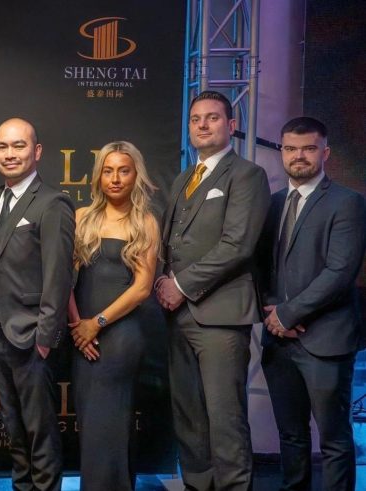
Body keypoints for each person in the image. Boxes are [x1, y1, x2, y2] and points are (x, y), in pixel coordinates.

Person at [155, 90, 270, 490]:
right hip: (178, 316)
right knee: (188, 417)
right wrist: (162, 280)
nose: (202, 125)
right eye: (195, 119)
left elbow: (238, 245)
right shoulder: (183, 179)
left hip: (221, 316)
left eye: (213, 118)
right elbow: (168, 243)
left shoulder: (248, 175)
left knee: (225, 419)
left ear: (232, 125)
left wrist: (181, 285)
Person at [257, 117, 366, 491]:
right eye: (290, 148)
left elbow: (340, 272)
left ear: (325, 152)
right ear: (282, 152)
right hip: (278, 342)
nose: (298, 156)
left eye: (308, 148)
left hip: (326, 340)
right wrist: (272, 313)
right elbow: (260, 268)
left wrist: (288, 314)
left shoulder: (348, 203)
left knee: (334, 441)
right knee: (291, 436)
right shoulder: (272, 204)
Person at [0, 117, 75, 491]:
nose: (9, 154)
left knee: (41, 435)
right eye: (2, 146)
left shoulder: (53, 203)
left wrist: (45, 339)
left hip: (32, 339)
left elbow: (58, 277)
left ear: (37, 151)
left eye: (18, 146)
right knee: (14, 433)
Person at [67, 141, 159, 490]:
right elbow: (65, 279)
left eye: (124, 171)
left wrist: (96, 323)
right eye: (108, 171)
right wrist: (78, 327)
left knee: (111, 426)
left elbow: (142, 288)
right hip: (82, 336)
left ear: (136, 176)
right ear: (99, 176)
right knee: (91, 426)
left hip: (120, 338)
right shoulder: (81, 218)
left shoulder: (145, 223)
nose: (115, 179)